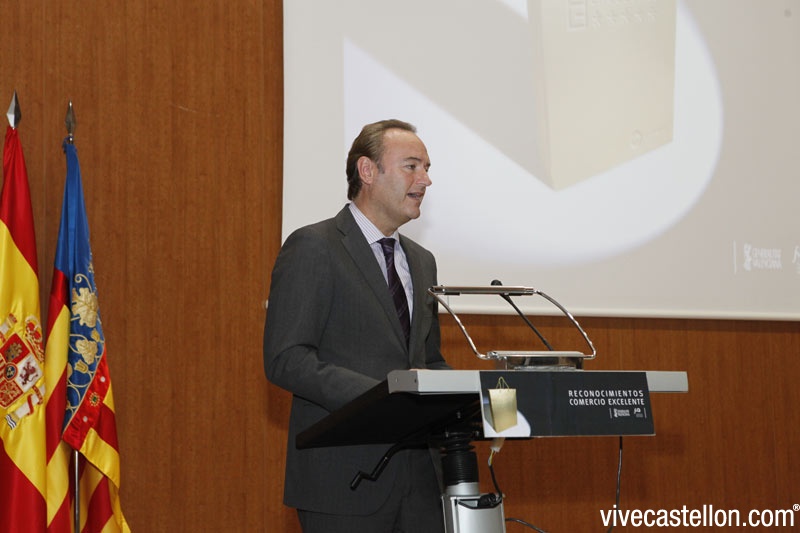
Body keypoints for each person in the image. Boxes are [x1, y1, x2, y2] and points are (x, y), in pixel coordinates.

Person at [263, 119, 450, 532]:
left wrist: (467, 396)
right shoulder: (314, 246)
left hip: (421, 486)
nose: (426, 180)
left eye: (426, 168)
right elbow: (287, 359)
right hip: (344, 482)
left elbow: (428, 360)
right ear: (367, 171)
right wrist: (384, 398)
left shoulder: (423, 262)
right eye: (412, 166)